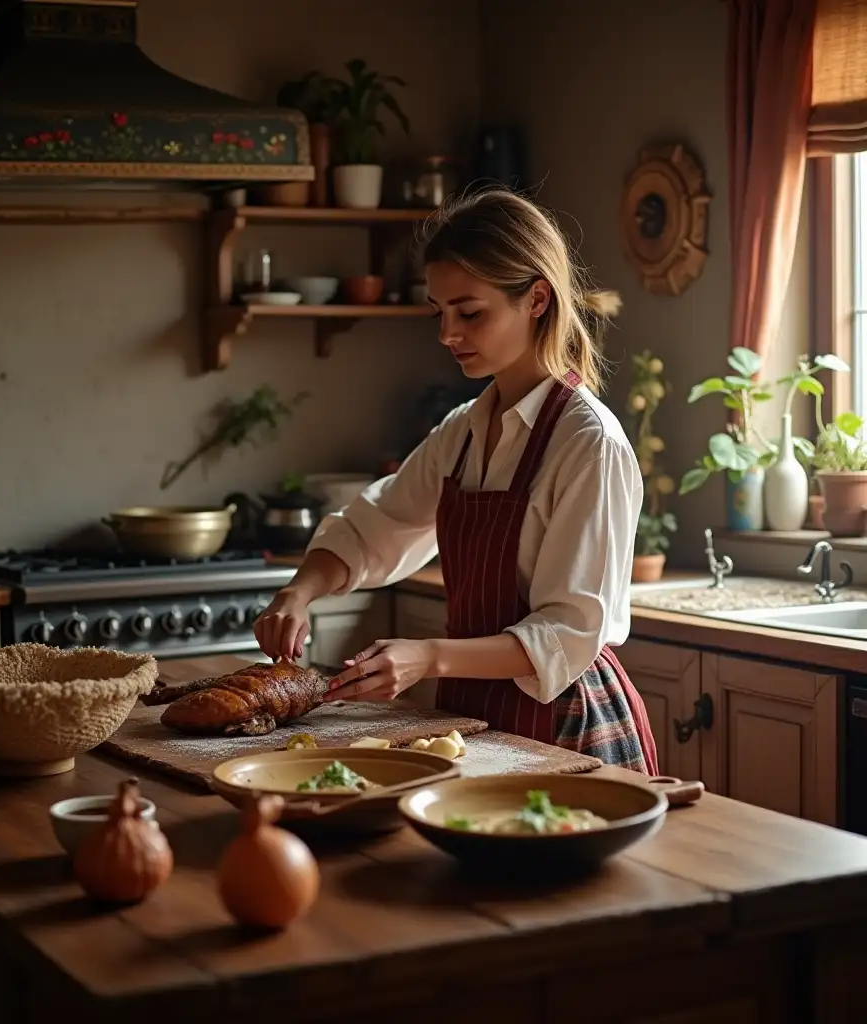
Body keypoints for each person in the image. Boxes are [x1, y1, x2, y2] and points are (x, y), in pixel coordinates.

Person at [253, 187, 658, 774]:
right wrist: (300, 591)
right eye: (438, 311)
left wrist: (428, 657)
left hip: (563, 719)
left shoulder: (589, 443)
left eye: (470, 312)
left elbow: (567, 634)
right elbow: (375, 528)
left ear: (537, 299)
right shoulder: (462, 432)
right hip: (470, 710)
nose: (448, 333)